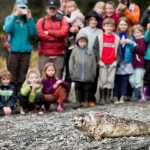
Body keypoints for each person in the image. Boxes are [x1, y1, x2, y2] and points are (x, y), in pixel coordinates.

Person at [3, 0, 37, 93]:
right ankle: (11, 96)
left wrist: (30, 19)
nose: (22, 9)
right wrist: (15, 15)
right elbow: (7, 29)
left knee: (23, 76)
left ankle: (20, 96)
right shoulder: (10, 18)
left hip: (26, 52)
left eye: (24, 7)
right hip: (14, 51)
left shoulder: (28, 20)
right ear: (15, 7)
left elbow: (33, 33)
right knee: (12, 75)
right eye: (20, 7)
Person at [36, 0, 69, 78]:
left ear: (57, 9)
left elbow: (63, 33)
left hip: (58, 55)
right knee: (43, 78)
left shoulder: (63, 20)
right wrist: (56, 38)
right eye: (50, 9)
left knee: (57, 78)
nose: (52, 10)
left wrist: (49, 32)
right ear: (46, 9)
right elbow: (40, 34)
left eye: (53, 9)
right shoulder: (41, 21)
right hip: (44, 55)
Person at [78, 10, 103, 105]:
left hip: (95, 58)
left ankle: (91, 98)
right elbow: (78, 44)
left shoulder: (100, 32)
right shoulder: (83, 31)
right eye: (91, 19)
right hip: (84, 57)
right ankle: (83, 99)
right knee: (84, 79)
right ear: (88, 20)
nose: (94, 22)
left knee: (94, 78)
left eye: (95, 20)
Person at [94, 18, 120, 105]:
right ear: (103, 26)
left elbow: (119, 51)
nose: (109, 28)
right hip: (102, 63)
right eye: (107, 26)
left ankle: (108, 97)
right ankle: (102, 98)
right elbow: (95, 49)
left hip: (112, 62)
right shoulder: (99, 37)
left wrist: (116, 61)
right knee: (102, 80)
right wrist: (98, 61)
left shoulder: (116, 38)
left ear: (113, 28)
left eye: (111, 26)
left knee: (110, 80)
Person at [69, 33, 96, 107]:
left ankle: (85, 101)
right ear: (77, 42)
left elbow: (93, 62)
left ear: (87, 42)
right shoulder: (75, 50)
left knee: (87, 89)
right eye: (80, 42)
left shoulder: (90, 51)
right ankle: (78, 101)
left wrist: (93, 73)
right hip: (77, 74)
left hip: (88, 75)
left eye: (84, 41)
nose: (82, 43)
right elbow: (71, 62)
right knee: (78, 89)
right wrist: (72, 72)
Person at [113, 17, 135, 104]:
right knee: (116, 78)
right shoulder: (115, 35)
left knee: (125, 79)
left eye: (125, 24)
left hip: (126, 60)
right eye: (121, 24)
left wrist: (129, 42)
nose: (123, 26)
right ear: (118, 25)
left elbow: (134, 47)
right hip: (117, 60)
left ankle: (123, 95)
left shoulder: (130, 36)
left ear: (128, 26)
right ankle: (115, 96)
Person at [129, 25, 147, 101]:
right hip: (133, 64)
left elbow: (142, 51)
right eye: (134, 32)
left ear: (141, 32)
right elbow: (132, 51)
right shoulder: (134, 41)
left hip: (140, 64)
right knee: (131, 80)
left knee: (138, 80)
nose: (136, 34)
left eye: (138, 32)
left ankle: (136, 96)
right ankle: (137, 93)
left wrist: (135, 45)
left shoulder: (143, 40)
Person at [142, 23, 150, 102]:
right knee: (147, 76)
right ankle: (145, 94)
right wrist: (148, 30)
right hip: (149, 57)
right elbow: (146, 39)